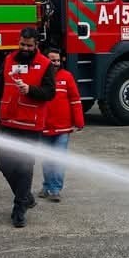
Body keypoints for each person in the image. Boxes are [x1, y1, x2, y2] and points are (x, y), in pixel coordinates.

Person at [0, 28, 56, 228]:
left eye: (28, 45)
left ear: (36, 45)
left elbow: (50, 92)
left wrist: (30, 90)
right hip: (8, 122)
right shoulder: (9, 60)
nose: (24, 48)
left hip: (30, 124)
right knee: (5, 165)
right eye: (22, 44)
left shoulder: (45, 65)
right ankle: (26, 196)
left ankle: (19, 209)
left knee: (25, 166)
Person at [39, 47, 84, 203]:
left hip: (62, 129)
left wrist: (79, 122)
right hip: (43, 128)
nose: (56, 63)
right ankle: (46, 185)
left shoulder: (67, 77)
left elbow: (75, 100)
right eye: (53, 61)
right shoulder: (39, 78)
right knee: (46, 161)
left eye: (58, 60)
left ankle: (55, 189)